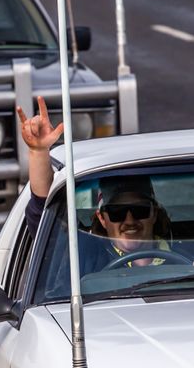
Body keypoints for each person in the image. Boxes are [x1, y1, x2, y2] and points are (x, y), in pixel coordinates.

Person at [17, 96, 175, 265]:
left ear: (154, 213)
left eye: (139, 210)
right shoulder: (82, 257)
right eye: (117, 212)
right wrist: (39, 151)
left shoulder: (192, 254)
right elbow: (45, 215)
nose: (129, 221)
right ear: (102, 218)